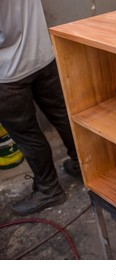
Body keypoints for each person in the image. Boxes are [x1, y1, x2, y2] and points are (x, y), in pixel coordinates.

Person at [0, 0, 81, 215]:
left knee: (28, 135)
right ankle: (83, 165)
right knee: (63, 115)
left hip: (7, 73)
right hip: (42, 55)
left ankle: (49, 189)